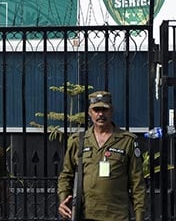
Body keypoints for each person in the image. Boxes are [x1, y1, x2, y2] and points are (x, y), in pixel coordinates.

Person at [57, 90, 145, 221]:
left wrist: (139, 217)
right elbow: (66, 175)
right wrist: (63, 200)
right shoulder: (78, 141)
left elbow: (137, 184)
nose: (100, 114)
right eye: (96, 110)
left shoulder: (127, 141)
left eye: (104, 110)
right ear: (89, 112)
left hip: (117, 216)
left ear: (111, 111)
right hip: (85, 214)